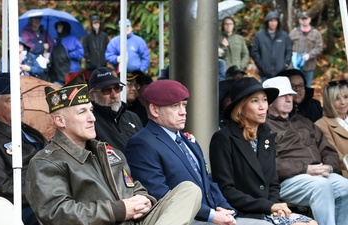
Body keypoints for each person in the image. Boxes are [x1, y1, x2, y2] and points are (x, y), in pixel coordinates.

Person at [25, 74, 202, 225]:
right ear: (60, 121)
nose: (92, 118)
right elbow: (57, 213)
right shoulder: (46, 162)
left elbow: (135, 187)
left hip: (135, 220)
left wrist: (146, 201)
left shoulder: (109, 153)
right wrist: (119, 210)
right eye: (82, 112)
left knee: (189, 189)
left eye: (91, 110)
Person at [125, 79, 276, 225]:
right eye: (175, 106)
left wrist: (227, 210)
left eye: (184, 105)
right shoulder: (142, 143)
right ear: (154, 110)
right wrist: (211, 215)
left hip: (212, 216)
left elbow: (208, 182)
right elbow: (160, 195)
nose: (183, 112)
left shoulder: (186, 138)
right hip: (186, 219)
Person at [210, 77, 316, 225]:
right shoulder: (223, 138)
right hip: (240, 212)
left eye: (264, 100)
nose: (263, 106)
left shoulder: (267, 135)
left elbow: (273, 184)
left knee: (311, 223)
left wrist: (275, 206)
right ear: (240, 107)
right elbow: (226, 190)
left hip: (267, 209)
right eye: (255, 101)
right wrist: (269, 206)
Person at [263, 76, 348, 225]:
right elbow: (268, 163)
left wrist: (328, 166)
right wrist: (305, 169)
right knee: (322, 186)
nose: (289, 99)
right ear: (270, 100)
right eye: (283, 96)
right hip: (286, 180)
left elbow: (328, 151)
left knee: (345, 186)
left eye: (290, 95)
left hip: (319, 175)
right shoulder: (264, 127)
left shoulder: (304, 121)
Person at [0, 73, 47, 225]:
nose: (20, 104)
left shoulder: (29, 130)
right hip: (26, 206)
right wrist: (45, 192)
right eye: (11, 100)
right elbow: (1, 186)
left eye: (20, 98)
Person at [88, 67, 142, 152]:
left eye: (117, 88)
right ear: (91, 95)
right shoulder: (89, 122)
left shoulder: (132, 117)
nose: (114, 95)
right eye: (106, 90)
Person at [315, 80, 348, 178]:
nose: (343, 102)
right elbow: (335, 156)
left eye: (346, 97)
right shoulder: (321, 125)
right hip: (343, 174)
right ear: (329, 102)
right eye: (337, 99)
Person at [251, 11, 292, 82]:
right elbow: (254, 51)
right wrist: (261, 65)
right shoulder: (259, 35)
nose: (273, 23)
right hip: (265, 73)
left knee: (280, 93)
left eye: (275, 21)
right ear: (267, 22)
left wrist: (284, 64)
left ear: (278, 22)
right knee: (267, 93)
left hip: (281, 73)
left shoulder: (284, 36)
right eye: (271, 21)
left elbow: (289, 51)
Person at [289, 11, 323, 87]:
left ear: (310, 19)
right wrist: (292, 53)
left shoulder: (316, 33)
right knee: (295, 87)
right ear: (299, 20)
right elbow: (287, 46)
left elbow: (319, 47)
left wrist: (309, 55)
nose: (304, 21)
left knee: (307, 87)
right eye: (302, 19)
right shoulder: (293, 33)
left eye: (306, 19)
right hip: (295, 66)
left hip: (309, 66)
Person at [50, 21, 84, 86]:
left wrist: (69, 54)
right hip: (58, 73)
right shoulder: (56, 40)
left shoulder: (73, 39)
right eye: (57, 27)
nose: (58, 28)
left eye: (60, 26)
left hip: (71, 71)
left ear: (65, 27)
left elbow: (80, 54)